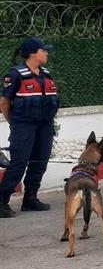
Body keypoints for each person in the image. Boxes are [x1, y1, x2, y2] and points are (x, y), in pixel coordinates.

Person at [0, 37, 59, 217]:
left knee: (40, 161)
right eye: (43, 50)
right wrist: (14, 122)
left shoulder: (46, 74)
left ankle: (30, 199)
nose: (46, 53)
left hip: (45, 125)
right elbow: (4, 102)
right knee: (19, 162)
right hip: (23, 125)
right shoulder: (15, 74)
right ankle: (2, 201)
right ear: (33, 53)